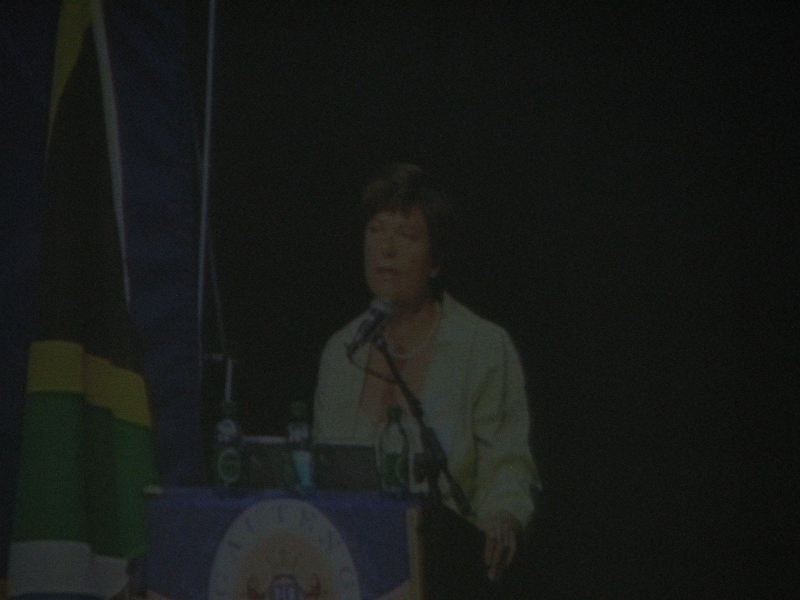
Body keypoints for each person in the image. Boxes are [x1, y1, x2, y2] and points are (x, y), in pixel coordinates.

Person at [312, 163, 539, 591]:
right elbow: (325, 473)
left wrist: (503, 517)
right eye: (376, 231)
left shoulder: (483, 347)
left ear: (435, 261)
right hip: (352, 570)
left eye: (406, 235)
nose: (387, 249)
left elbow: (507, 465)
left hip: (450, 571)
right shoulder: (341, 352)